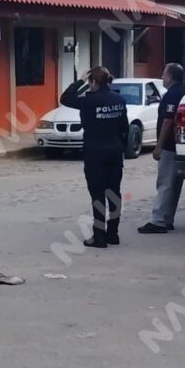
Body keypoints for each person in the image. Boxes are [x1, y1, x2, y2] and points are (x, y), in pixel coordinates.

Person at [60, 66, 128, 248]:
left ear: (94, 82)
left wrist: (80, 81)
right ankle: (113, 233)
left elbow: (65, 98)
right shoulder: (119, 99)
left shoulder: (90, 101)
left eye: (90, 82)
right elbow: (125, 128)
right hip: (115, 151)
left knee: (97, 195)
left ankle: (99, 236)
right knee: (114, 193)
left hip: (95, 152)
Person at [139, 63, 185, 234]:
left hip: (169, 145)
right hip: (182, 144)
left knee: (165, 182)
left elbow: (168, 121)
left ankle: (158, 220)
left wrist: (158, 147)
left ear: (171, 77)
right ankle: (167, 218)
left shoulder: (172, 95)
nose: (162, 77)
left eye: (164, 74)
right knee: (175, 184)